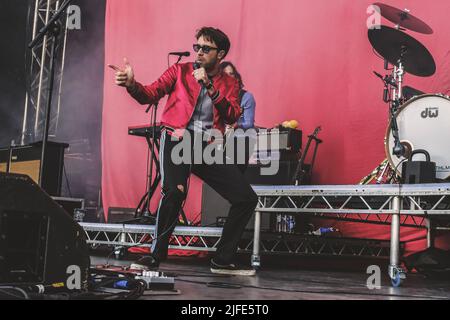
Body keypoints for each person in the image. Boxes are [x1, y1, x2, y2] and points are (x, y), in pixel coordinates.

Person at [110, 27, 258, 276]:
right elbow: (150, 94)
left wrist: (210, 86)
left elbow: (232, 114)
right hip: (177, 139)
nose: (199, 52)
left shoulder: (229, 83)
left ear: (220, 54)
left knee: (246, 199)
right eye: (197, 47)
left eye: (206, 48)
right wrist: (132, 84)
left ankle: (223, 259)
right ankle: (155, 256)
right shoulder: (179, 71)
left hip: (206, 146)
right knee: (175, 193)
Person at [220, 61, 256, 173]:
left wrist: (236, 125)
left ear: (236, 77)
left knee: (234, 175)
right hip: (220, 141)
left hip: (239, 142)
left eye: (231, 74)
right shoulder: (216, 96)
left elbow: (249, 123)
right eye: (225, 75)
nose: (228, 77)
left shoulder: (246, 97)